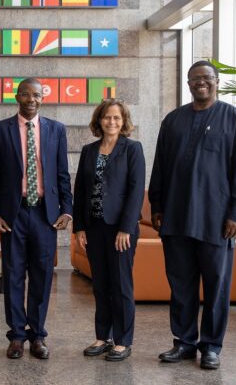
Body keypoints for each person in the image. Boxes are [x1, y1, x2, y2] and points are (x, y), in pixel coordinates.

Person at [149, 60, 236, 370]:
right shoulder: (173, 121)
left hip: (217, 221)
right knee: (181, 285)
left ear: (217, 81)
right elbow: (160, 168)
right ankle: (183, 343)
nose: (201, 83)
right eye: (195, 79)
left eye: (206, 78)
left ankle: (211, 347)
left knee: (217, 286)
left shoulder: (235, 120)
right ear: (188, 83)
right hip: (177, 219)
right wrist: (157, 207)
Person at [0, 78, 72, 360]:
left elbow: (62, 174)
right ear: (16, 97)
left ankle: (38, 335)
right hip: (14, 213)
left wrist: (67, 209)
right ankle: (17, 336)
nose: (31, 99)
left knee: (42, 275)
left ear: (43, 98)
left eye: (36, 94)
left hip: (45, 213)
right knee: (13, 274)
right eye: (25, 94)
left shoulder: (56, 130)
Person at [73, 99, 145, 362]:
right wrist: (79, 227)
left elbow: (136, 192)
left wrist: (126, 228)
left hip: (120, 229)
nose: (111, 122)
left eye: (117, 118)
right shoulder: (89, 151)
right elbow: (80, 190)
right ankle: (103, 337)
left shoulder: (132, 149)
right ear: (99, 120)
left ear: (124, 121)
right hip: (94, 227)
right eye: (107, 117)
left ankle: (123, 341)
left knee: (121, 284)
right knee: (100, 285)